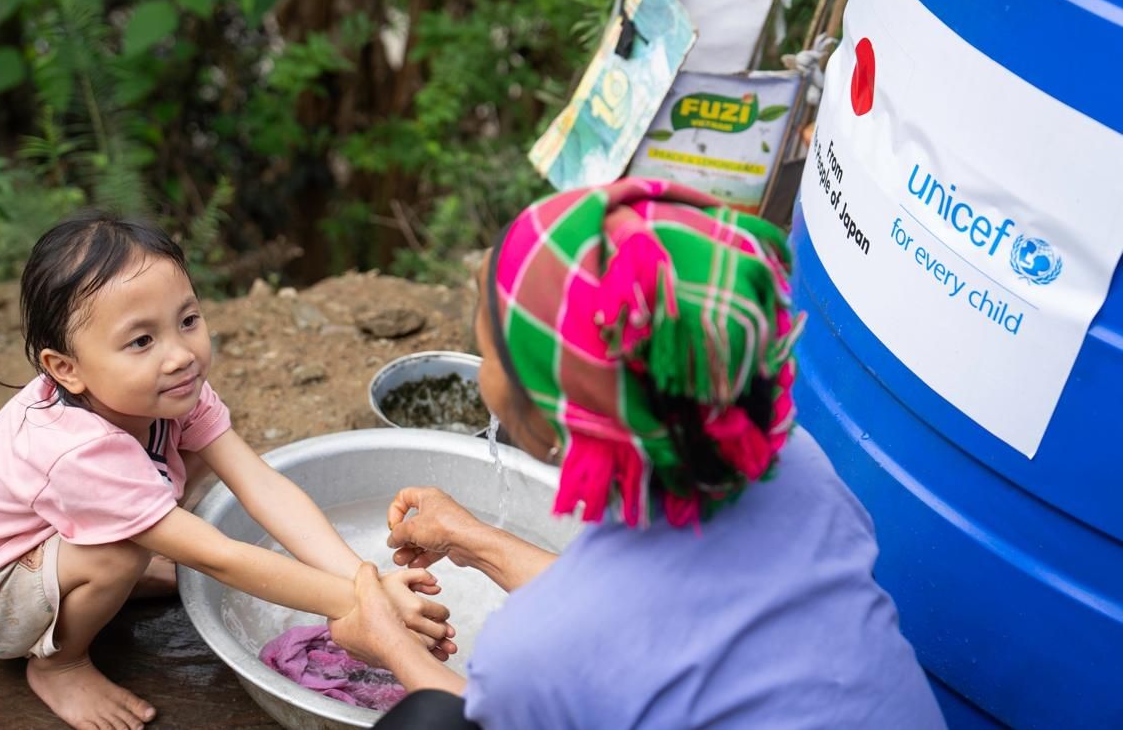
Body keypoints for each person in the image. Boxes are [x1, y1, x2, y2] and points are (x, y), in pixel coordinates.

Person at [330, 179, 945, 728]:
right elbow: (637, 619)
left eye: (492, 357)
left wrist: (388, 640)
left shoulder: (534, 652)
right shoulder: (796, 468)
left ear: (554, 421)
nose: (484, 374)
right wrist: (470, 538)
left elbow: (527, 680)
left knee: (429, 721)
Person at [0, 211, 455, 730]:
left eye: (188, 321)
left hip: (48, 539)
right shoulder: (77, 452)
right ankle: (59, 663)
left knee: (194, 451)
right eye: (141, 341)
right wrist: (364, 604)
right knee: (119, 550)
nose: (180, 355)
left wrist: (365, 577)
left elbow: (261, 484)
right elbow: (218, 558)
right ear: (66, 368)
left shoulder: (169, 391)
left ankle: (109, 574)